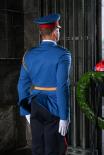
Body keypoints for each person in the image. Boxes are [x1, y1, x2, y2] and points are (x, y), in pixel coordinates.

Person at [17, 13, 71, 155]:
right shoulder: (63, 54)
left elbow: (21, 85)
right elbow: (62, 87)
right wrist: (64, 117)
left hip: (35, 105)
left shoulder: (29, 54)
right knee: (54, 149)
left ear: (41, 33)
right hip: (54, 108)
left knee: (38, 147)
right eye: (58, 30)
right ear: (55, 32)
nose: (58, 32)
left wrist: (25, 111)